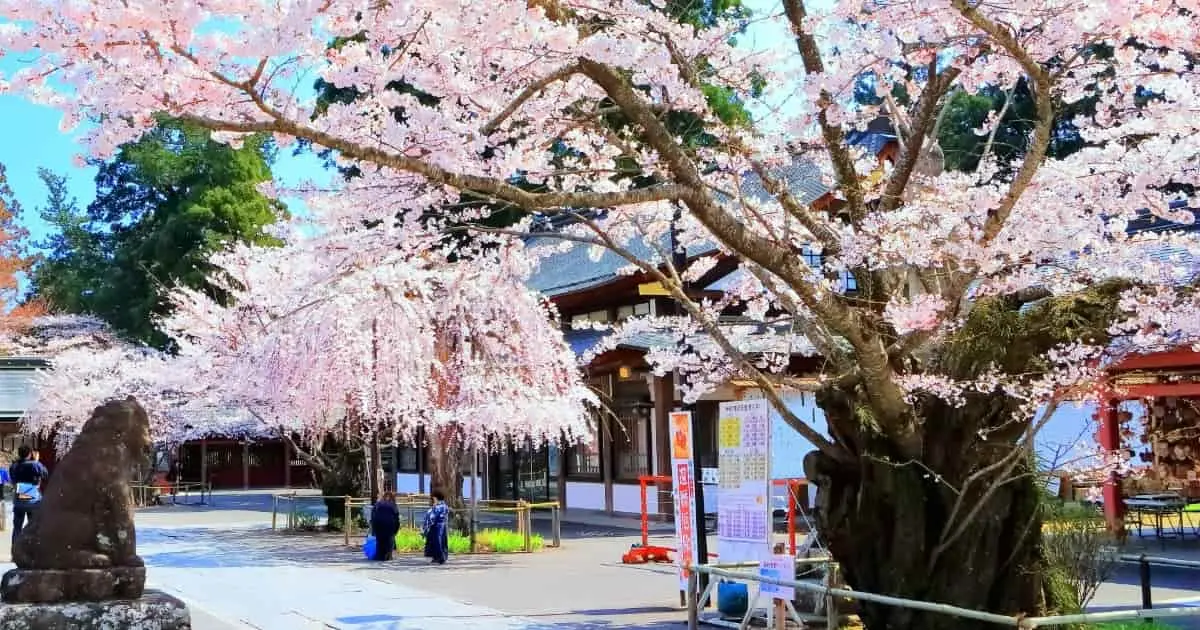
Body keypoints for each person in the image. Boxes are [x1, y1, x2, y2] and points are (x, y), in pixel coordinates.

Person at [9, 446, 49, 542]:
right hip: (33, 500)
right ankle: (32, 550)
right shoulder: (34, 465)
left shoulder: (14, 466)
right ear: (30, 454)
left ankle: (16, 549)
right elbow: (45, 474)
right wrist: (36, 461)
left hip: (19, 499)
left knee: (17, 527)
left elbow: (12, 479)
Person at [369, 491, 401, 561]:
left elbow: (373, 516)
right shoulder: (393, 505)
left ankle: (379, 556)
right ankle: (388, 556)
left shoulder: (377, 504)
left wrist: (373, 528)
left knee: (380, 541)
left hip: (378, 525)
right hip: (389, 525)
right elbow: (397, 518)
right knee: (389, 541)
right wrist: (396, 530)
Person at [422, 490, 449, 565]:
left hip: (436, 525)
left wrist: (427, 526)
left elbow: (432, 516)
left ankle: (440, 558)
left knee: (437, 542)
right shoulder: (444, 506)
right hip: (442, 525)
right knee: (441, 541)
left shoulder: (438, 506)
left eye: (433, 498)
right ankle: (439, 557)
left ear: (436, 498)